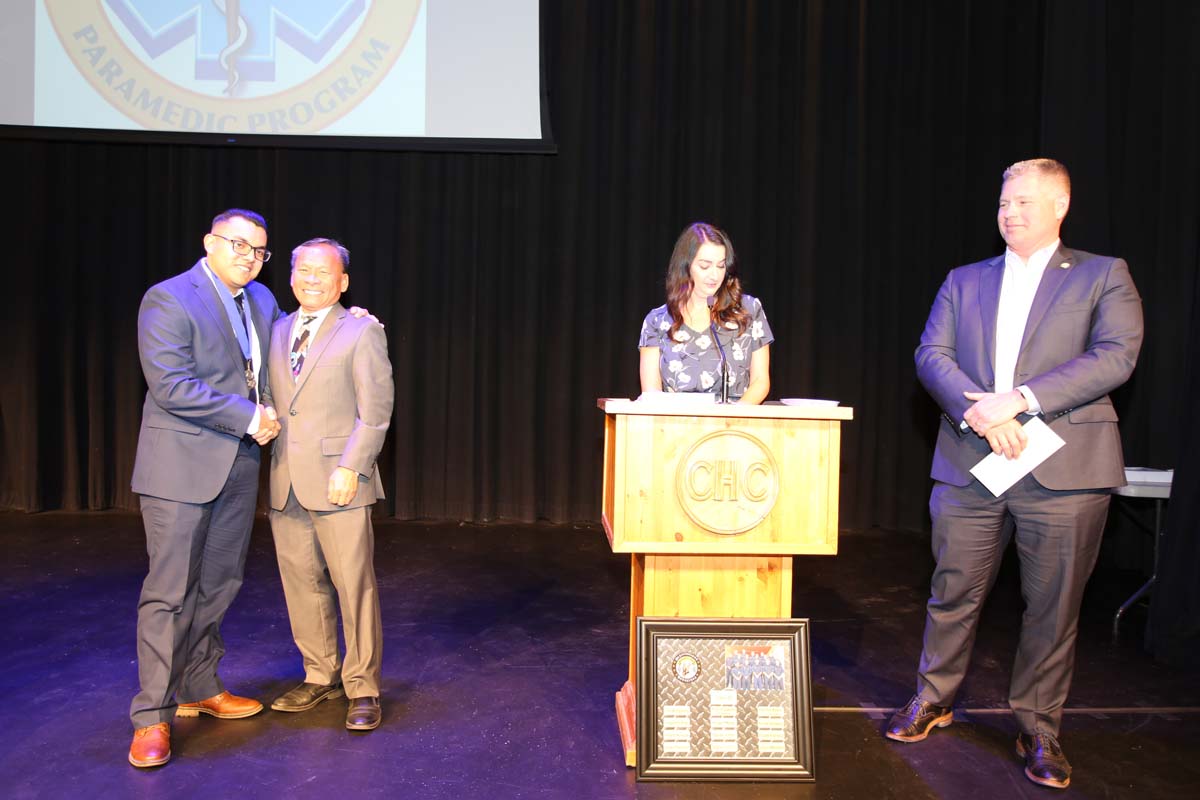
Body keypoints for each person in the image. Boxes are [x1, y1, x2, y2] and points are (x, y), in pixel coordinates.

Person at [887, 159, 1144, 790]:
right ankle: (934, 696)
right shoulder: (964, 279)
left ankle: (1039, 727)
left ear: (1060, 207)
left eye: (1026, 201)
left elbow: (1116, 356)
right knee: (952, 589)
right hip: (973, 457)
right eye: (1005, 202)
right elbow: (931, 355)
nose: (1012, 212)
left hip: (1064, 466)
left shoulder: (1102, 275)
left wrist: (1021, 398)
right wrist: (983, 409)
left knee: (1052, 606)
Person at [128, 209, 283, 768]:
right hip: (179, 468)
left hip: (238, 466)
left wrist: (348, 320)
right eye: (238, 245)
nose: (248, 256)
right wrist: (247, 417)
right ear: (209, 242)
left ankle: (199, 686)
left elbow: (290, 351)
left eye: (259, 251)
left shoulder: (262, 301)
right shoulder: (169, 298)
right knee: (170, 592)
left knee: (219, 583)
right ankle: (151, 717)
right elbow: (171, 385)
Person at [266, 238, 393, 732]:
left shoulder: (360, 331)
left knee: (353, 585)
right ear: (292, 275)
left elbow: (376, 411)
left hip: (340, 479)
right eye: (303, 270)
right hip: (285, 482)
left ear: (342, 282)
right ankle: (320, 675)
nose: (311, 278)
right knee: (301, 584)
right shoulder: (276, 330)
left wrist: (352, 466)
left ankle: (363, 687)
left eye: (323, 272)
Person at [638, 222, 772, 404]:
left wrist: (731, 420)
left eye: (720, 266)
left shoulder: (748, 310)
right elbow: (651, 395)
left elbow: (760, 381)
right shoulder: (657, 321)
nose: (715, 275)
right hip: (676, 426)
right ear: (686, 266)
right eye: (705, 266)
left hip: (736, 427)